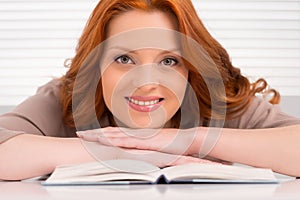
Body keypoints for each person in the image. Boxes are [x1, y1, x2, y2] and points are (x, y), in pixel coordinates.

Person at [0, 0, 300, 181]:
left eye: (169, 60)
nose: (145, 82)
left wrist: (186, 139)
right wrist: (128, 153)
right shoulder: (65, 97)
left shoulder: (216, 99)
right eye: (124, 59)